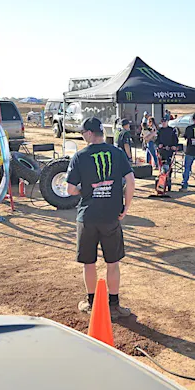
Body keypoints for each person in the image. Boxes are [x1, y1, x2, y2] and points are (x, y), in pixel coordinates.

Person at [66, 117, 135, 320]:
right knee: (112, 263)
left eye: (82, 133)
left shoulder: (80, 156)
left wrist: (84, 191)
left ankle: (91, 303)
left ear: (89, 133)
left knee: (89, 263)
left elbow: (69, 189)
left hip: (87, 216)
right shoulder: (117, 153)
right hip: (110, 216)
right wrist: (126, 207)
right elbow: (131, 181)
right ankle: (114, 305)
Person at [156, 116, 179, 189]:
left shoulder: (172, 130)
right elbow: (157, 140)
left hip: (169, 151)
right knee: (162, 165)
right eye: (162, 122)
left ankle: (168, 178)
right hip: (162, 151)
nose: (163, 123)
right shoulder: (159, 131)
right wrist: (159, 144)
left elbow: (175, 140)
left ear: (167, 122)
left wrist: (174, 146)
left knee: (169, 165)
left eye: (165, 122)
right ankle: (162, 178)